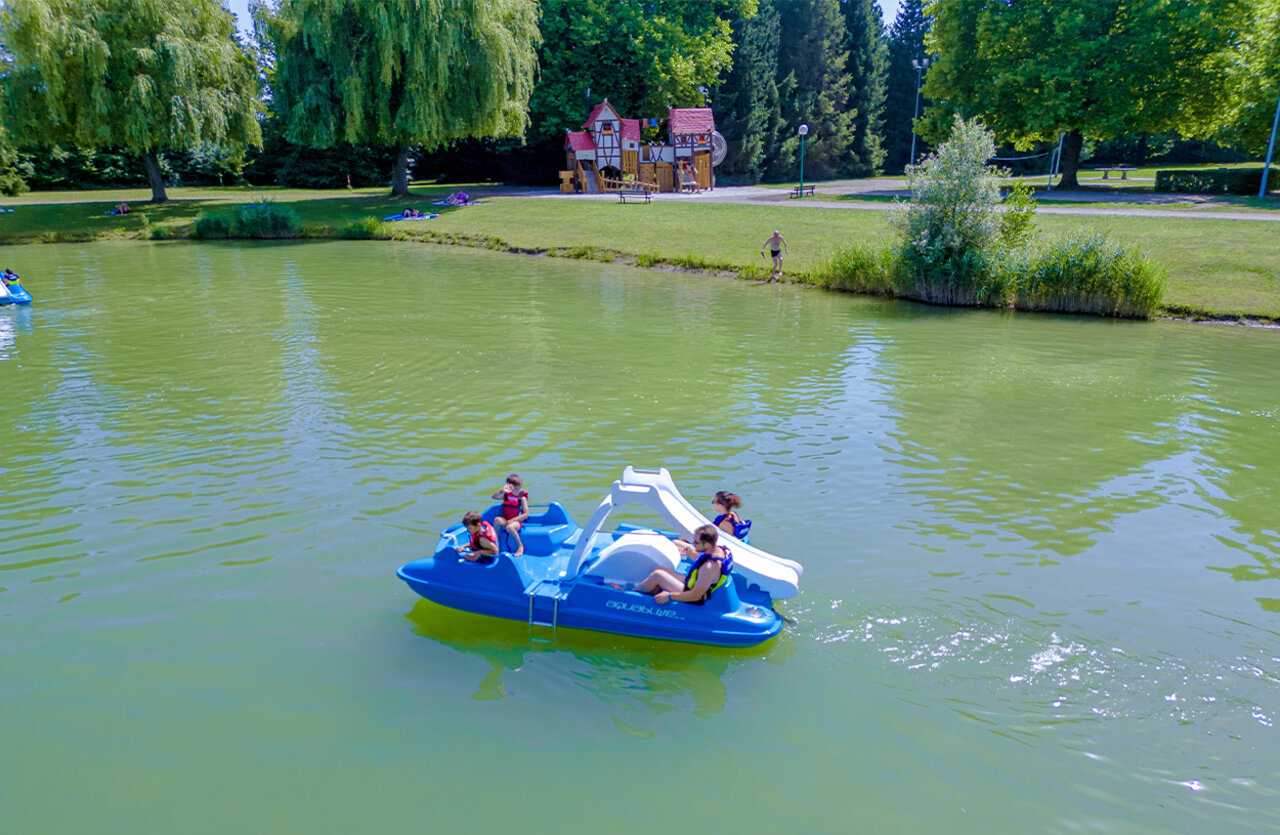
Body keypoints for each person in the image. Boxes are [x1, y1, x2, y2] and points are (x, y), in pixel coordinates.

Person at [628, 524, 734, 605]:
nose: (693, 544)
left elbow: (696, 596)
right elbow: (704, 561)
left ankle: (631, 594)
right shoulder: (719, 550)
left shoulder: (709, 567)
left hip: (694, 595)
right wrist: (692, 554)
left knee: (658, 575)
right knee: (658, 569)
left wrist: (669, 596)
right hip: (695, 582)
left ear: (706, 544)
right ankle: (649, 592)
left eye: (696, 542)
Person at [490, 473, 529, 556]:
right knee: (497, 520)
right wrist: (501, 491)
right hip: (506, 520)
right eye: (515, 488)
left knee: (510, 527)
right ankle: (496, 544)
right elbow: (494, 497)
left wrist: (512, 520)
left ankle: (520, 546)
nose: (518, 490)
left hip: (516, 522)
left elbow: (525, 515)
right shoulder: (506, 495)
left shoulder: (522, 497)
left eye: (519, 487)